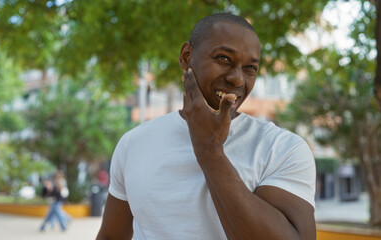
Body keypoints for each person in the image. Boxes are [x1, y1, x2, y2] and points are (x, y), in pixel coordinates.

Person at [96, 13, 316, 240]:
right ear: (186, 57)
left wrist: (210, 150)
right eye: (223, 59)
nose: (238, 80)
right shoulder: (134, 143)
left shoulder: (282, 149)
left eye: (250, 68)